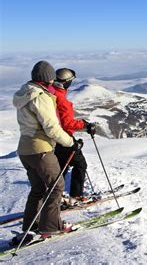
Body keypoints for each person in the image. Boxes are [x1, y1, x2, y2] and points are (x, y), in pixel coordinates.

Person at [12, 61, 83, 238]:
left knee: (39, 188)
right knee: (56, 186)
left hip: (25, 149)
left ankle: (31, 226)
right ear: (48, 79)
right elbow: (51, 127)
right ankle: (51, 226)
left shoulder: (25, 93)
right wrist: (70, 143)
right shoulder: (41, 96)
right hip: (41, 149)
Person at [53, 68, 96, 205]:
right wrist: (85, 124)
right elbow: (67, 123)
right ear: (65, 83)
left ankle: (55, 196)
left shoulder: (51, 94)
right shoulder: (61, 99)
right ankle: (75, 197)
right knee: (80, 164)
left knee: (61, 168)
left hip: (54, 138)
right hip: (64, 137)